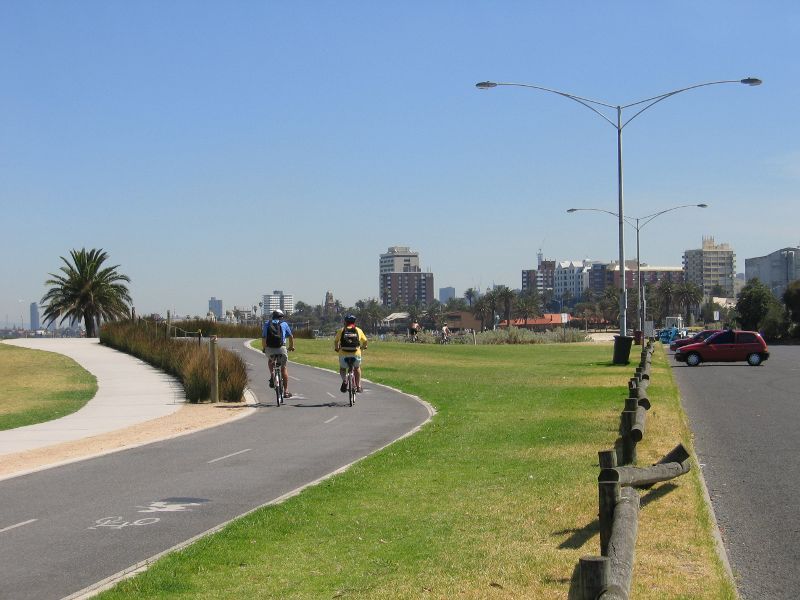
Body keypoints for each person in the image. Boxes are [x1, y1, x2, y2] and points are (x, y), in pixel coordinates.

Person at [262, 309, 295, 398]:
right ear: (281, 317)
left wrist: (264, 348)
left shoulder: (267, 324)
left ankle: (272, 375)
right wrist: (291, 347)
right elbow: (291, 336)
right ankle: (286, 391)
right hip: (281, 349)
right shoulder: (284, 324)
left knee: (270, 360)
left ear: (273, 316)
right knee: (283, 368)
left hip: (270, 349)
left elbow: (264, 338)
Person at [334, 314, 368, 393]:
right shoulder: (358, 330)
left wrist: (337, 348)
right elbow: (365, 341)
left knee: (342, 369)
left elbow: (336, 341)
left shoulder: (341, 330)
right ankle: (358, 386)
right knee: (357, 368)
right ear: (354, 322)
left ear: (345, 322)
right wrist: (363, 348)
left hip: (343, 354)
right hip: (356, 354)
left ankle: (345, 380)